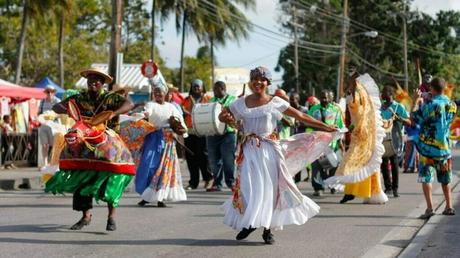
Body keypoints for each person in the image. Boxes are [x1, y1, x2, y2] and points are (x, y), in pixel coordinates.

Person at [219, 66, 337, 244]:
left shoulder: (276, 102)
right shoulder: (240, 103)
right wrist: (224, 117)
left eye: (262, 79)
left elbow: (300, 116)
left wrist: (325, 127)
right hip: (249, 151)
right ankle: (250, 223)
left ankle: (267, 229)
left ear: (267, 82)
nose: (258, 82)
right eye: (255, 79)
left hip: (269, 151)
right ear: (251, 82)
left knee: (270, 190)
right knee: (248, 188)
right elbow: (224, 116)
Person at [45, 67, 134, 231]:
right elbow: (57, 107)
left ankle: (111, 217)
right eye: (90, 80)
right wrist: (68, 109)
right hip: (84, 141)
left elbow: (129, 104)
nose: (93, 82)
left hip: (108, 143)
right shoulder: (79, 97)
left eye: (96, 80)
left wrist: (113, 113)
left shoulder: (110, 97)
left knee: (110, 177)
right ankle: (86, 216)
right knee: (81, 176)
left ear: (102, 83)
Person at [324, 65, 388, 205]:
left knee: (354, 161)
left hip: (363, 133)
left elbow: (355, 101)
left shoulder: (358, 95)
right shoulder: (360, 95)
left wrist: (353, 80)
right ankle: (357, 192)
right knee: (367, 162)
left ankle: (362, 192)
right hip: (362, 132)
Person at [411, 77, 457, 219]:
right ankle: (449, 206)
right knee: (445, 179)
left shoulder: (430, 105)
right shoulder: (452, 105)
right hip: (444, 148)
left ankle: (430, 208)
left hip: (428, 149)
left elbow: (414, 118)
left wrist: (415, 101)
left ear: (431, 89)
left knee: (427, 178)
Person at [136, 85, 187, 207]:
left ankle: (160, 198)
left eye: (160, 92)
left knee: (165, 168)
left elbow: (180, 122)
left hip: (168, 141)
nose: (157, 94)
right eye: (155, 92)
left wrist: (181, 129)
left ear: (165, 93)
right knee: (149, 165)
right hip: (153, 138)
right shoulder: (151, 104)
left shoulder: (171, 107)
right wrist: (143, 114)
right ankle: (146, 196)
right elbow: (147, 112)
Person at [307, 90, 345, 196]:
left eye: (326, 97)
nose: (324, 100)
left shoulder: (336, 110)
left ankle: (333, 185)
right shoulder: (314, 110)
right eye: (322, 97)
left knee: (333, 165)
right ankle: (318, 188)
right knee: (316, 165)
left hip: (332, 142)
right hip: (317, 141)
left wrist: (340, 140)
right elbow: (308, 122)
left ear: (331, 98)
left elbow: (341, 126)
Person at [181, 79, 213, 190]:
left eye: (198, 86)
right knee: (191, 157)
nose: (196, 88)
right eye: (194, 86)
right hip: (190, 131)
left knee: (203, 156)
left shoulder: (208, 99)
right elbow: (181, 113)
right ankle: (193, 182)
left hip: (203, 131)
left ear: (202, 87)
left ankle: (208, 179)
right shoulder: (185, 100)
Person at [380, 85, 411, 197]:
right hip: (383, 139)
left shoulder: (398, 107)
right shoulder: (380, 108)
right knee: (383, 163)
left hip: (395, 139)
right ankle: (387, 187)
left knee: (394, 163)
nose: (382, 94)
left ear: (390, 94)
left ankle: (395, 188)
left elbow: (409, 122)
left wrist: (399, 119)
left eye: (383, 92)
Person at [206, 81, 237, 192]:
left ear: (222, 88)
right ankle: (217, 183)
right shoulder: (211, 101)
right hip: (213, 134)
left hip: (228, 133)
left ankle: (231, 182)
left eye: (215, 89)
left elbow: (236, 113)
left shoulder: (233, 100)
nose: (214, 91)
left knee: (228, 159)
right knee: (214, 161)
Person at [38, 86, 61, 170]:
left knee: (54, 146)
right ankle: (45, 163)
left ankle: (53, 163)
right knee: (44, 145)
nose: (49, 93)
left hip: (54, 126)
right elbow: (39, 113)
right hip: (44, 125)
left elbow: (61, 114)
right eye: (48, 92)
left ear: (54, 92)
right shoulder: (42, 101)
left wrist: (53, 116)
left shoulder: (57, 101)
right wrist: (41, 117)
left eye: (51, 92)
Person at [290, 92, 310, 183]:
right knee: (291, 158)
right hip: (291, 138)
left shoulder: (304, 110)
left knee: (299, 158)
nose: (290, 101)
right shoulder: (288, 109)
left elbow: (309, 122)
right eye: (290, 99)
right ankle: (293, 178)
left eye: (292, 99)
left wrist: (301, 123)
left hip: (302, 138)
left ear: (297, 99)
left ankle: (297, 179)